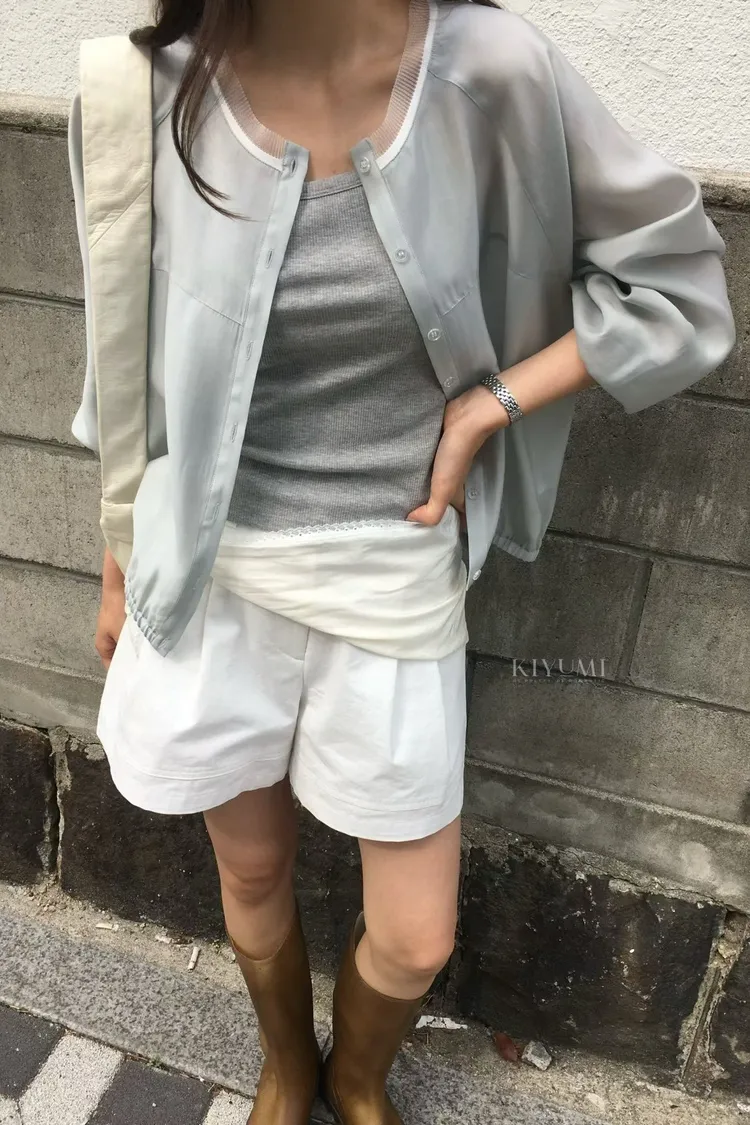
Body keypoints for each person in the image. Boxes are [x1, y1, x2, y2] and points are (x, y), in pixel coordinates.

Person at [68, 0, 734, 1121]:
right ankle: (289, 1064)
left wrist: (493, 403)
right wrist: (118, 562)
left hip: (396, 567)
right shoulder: (145, 89)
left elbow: (677, 287)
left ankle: (358, 1075)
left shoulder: (495, 71)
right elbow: (123, 361)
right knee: (250, 870)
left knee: (417, 933)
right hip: (212, 568)